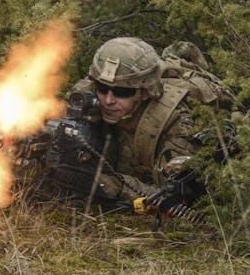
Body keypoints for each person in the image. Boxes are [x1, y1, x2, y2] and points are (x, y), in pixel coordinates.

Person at [63, 37, 203, 204]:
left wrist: (119, 187)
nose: (108, 100)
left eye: (122, 92)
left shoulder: (174, 123)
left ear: (144, 92)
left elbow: (176, 198)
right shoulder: (85, 100)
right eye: (102, 88)